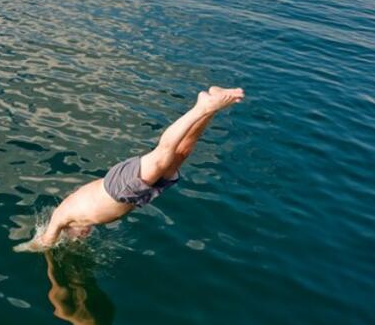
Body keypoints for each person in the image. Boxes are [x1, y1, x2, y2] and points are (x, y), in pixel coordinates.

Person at [14, 86, 244, 252]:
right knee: (183, 151)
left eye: (76, 238)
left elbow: (43, 242)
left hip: (119, 188)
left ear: (67, 231)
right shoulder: (79, 216)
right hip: (132, 194)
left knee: (163, 154)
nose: (82, 237)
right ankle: (211, 106)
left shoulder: (61, 217)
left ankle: (201, 106)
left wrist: (28, 248)